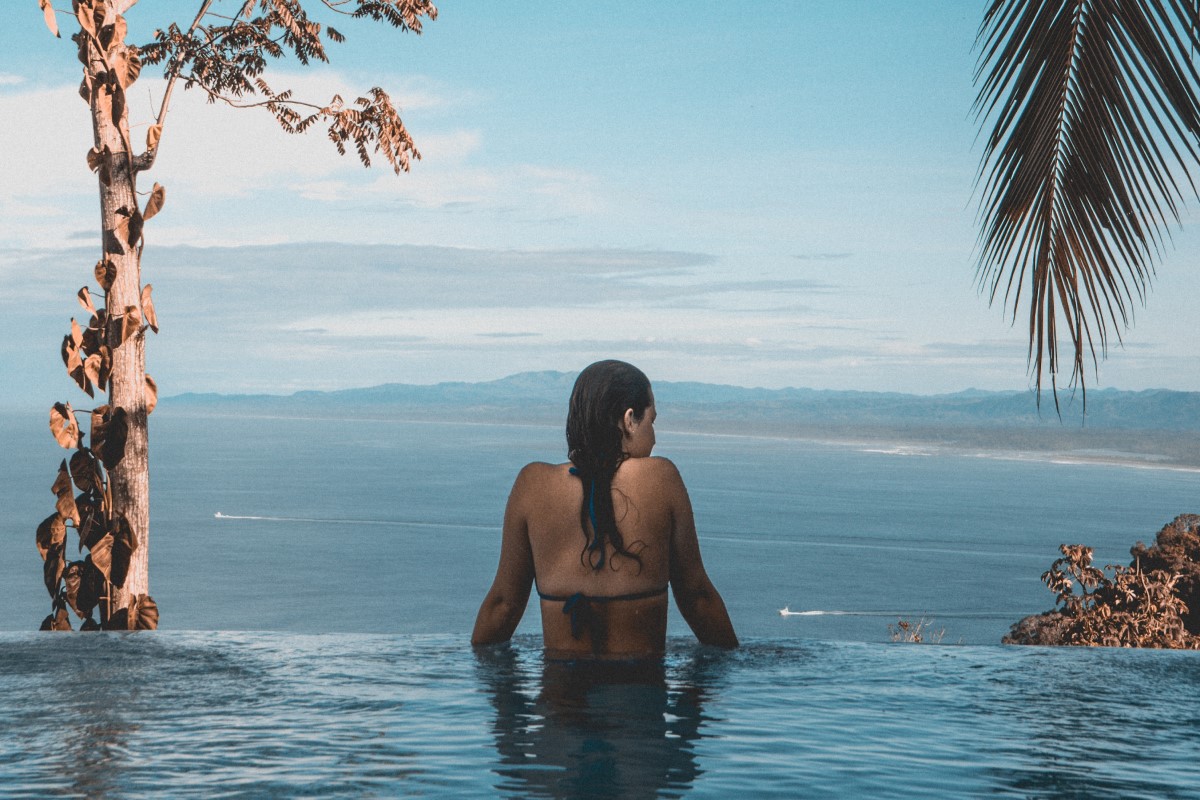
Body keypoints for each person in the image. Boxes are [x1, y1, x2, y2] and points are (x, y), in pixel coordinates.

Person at [472, 359, 738, 658]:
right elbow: (697, 598)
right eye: (651, 422)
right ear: (629, 419)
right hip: (640, 696)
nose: (655, 437)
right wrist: (735, 663)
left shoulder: (532, 485)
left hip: (562, 696)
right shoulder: (661, 478)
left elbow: (503, 605)